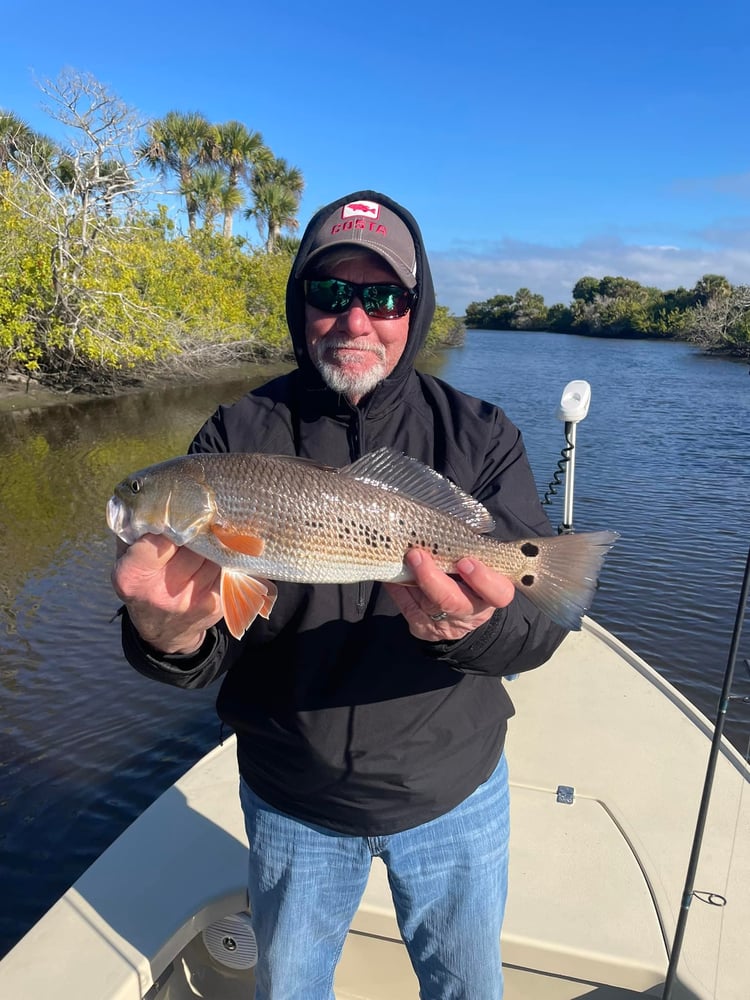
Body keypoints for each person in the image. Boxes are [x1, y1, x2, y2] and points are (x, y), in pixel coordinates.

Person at [112, 191, 568, 1000]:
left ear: (413, 310)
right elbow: (202, 649)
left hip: (452, 790)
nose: (356, 320)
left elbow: (536, 629)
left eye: (384, 296)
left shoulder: (482, 433)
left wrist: (466, 628)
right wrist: (164, 634)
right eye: (332, 293)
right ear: (302, 304)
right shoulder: (230, 438)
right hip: (293, 800)